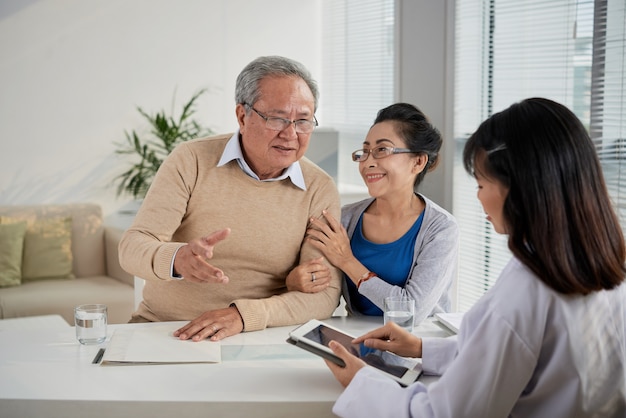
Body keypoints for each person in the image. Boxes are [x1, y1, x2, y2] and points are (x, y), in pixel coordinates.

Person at [324, 97, 626, 417]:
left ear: (522, 186)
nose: (478, 196)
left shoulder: (522, 292)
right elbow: (505, 354)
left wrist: (360, 382)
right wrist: (421, 349)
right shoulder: (606, 268)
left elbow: (444, 413)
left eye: (481, 183)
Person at [118, 56, 342, 342]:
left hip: (261, 337)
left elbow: (323, 295)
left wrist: (243, 316)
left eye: (303, 121)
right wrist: (177, 259)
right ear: (242, 116)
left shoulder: (318, 187)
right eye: (277, 119)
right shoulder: (191, 160)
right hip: (166, 330)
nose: (291, 134)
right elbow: (132, 248)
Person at [288, 103, 458, 325]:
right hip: (358, 342)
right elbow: (315, 286)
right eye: (365, 152)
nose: (368, 162)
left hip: (418, 346)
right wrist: (295, 281)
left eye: (382, 150)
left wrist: (347, 261)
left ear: (418, 161)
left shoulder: (441, 228)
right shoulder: (344, 220)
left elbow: (411, 312)